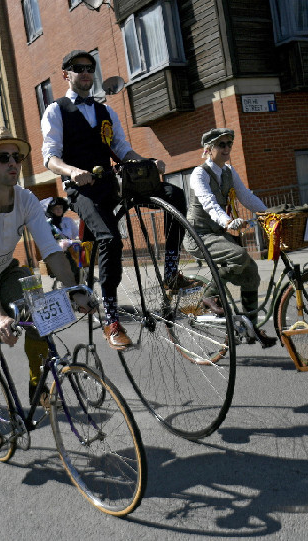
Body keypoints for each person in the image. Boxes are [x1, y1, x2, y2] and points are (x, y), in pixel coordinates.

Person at [0, 127, 91, 450]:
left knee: (41, 316)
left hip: (6, 271)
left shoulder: (25, 199)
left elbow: (51, 250)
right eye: (3, 157)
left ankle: (37, 382)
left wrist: (74, 290)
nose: (13, 163)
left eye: (17, 157)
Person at [41, 49, 196, 349]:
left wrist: (147, 162)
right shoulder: (56, 110)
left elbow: (122, 148)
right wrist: (72, 172)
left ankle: (171, 272)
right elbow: (50, 157)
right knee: (110, 239)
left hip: (113, 182)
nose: (86, 73)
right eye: (78, 68)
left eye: (90, 68)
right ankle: (111, 320)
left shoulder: (105, 112)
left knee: (174, 194)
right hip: (82, 189)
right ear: (66, 74)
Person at [186, 128, 267, 317]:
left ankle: (251, 325)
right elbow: (209, 203)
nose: (227, 148)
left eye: (229, 144)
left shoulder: (229, 172)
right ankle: (209, 295)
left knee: (251, 271)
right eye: (221, 144)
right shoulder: (199, 174)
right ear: (208, 149)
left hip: (217, 234)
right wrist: (227, 221)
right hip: (198, 235)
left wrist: (269, 215)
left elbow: (246, 196)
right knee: (239, 255)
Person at [43, 196, 80, 282]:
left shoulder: (68, 221)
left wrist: (71, 241)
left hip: (72, 251)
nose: (59, 210)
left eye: (60, 207)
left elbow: (76, 235)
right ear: (51, 210)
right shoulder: (48, 224)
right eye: (55, 208)